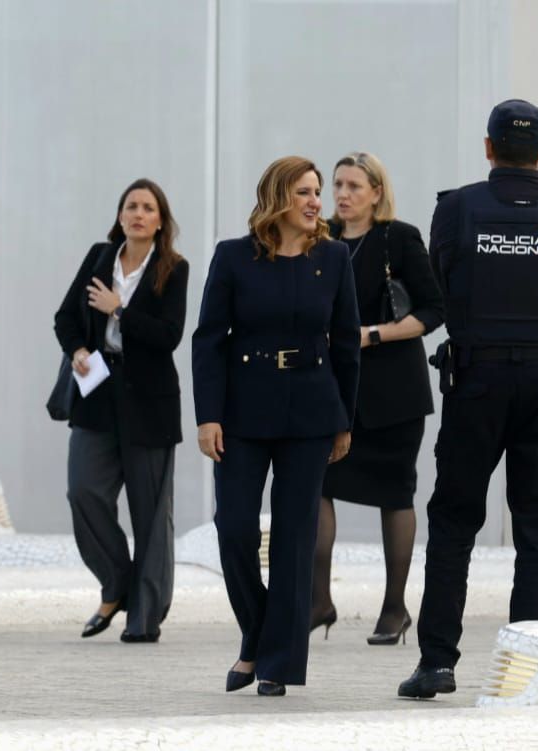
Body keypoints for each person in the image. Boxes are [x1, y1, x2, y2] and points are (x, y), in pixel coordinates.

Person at [398, 99, 538, 699]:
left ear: (488, 148)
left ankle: (437, 662)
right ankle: (530, 674)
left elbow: (439, 280)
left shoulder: (455, 209)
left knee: (455, 523)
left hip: (476, 383)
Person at [192, 156, 360, 697]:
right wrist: (207, 416)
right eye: (305, 192)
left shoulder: (334, 258)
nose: (317, 201)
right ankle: (258, 633)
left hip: (311, 412)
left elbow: (347, 344)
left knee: (294, 539)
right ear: (276, 199)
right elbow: (209, 340)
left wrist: (344, 420)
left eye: (318, 192)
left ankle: (274, 665)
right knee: (234, 528)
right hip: (243, 412)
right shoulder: (234, 257)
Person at [310, 152, 444, 644]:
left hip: (393, 393)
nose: (342, 194)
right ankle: (318, 600)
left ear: (376, 193)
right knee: (317, 486)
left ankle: (394, 607)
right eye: (338, 185)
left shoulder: (398, 237)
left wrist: (373, 336)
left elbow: (433, 310)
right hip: (333, 391)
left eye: (354, 186)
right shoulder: (319, 239)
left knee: (394, 493)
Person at [54, 178, 189, 644]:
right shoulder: (99, 257)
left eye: (147, 207)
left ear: (159, 220)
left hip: (149, 401)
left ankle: (144, 619)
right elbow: (65, 317)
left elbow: (168, 335)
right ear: (119, 215)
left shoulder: (173, 267)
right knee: (83, 491)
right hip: (98, 395)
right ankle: (117, 582)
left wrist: (119, 310)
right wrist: (75, 350)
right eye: (130, 206)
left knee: (151, 513)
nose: (137, 213)